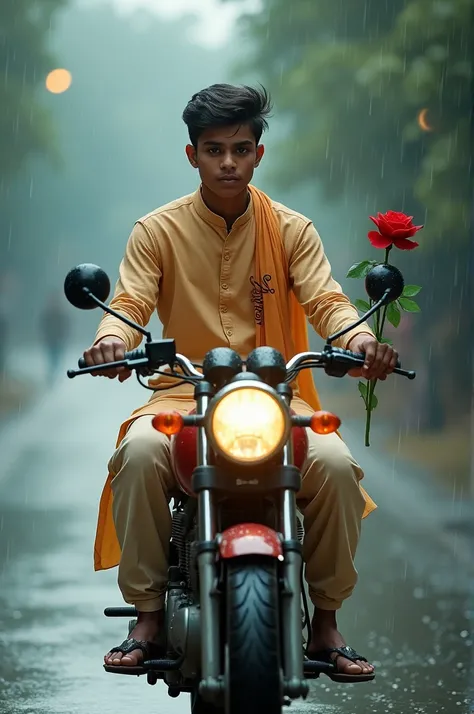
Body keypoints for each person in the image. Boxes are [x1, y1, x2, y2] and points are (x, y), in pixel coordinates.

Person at [83, 84, 399, 680]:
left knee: (332, 463)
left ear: (259, 154)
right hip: (185, 392)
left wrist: (359, 342)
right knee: (140, 451)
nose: (227, 162)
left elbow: (328, 300)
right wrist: (114, 341)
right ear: (192, 155)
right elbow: (127, 303)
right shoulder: (156, 231)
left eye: (240, 148)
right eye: (213, 149)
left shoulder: (292, 229)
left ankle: (327, 621)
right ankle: (148, 617)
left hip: (277, 397)